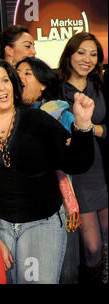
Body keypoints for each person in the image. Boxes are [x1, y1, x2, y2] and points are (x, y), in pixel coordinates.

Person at [0, 56, 95, 284]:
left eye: (5, 80)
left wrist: (82, 126)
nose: (2, 88)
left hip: (42, 225)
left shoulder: (37, 120)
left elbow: (76, 163)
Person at [16, 56, 80, 283]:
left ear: (43, 83)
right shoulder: (8, 116)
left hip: (57, 203)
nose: (20, 77)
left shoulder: (62, 114)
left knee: (66, 272)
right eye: (17, 72)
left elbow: (72, 156)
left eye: (27, 73)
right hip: (21, 208)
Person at [57, 32, 108, 284]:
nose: (87, 59)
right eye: (81, 52)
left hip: (103, 171)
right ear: (69, 54)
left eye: (93, 54)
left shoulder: (101, 85)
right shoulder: (55, 87)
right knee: (92, 246)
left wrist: (91, 129)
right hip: (76, 175)